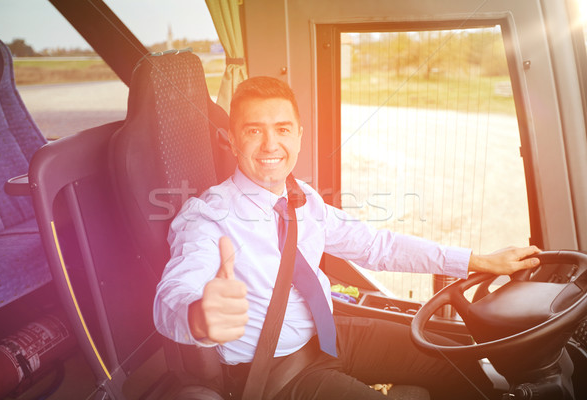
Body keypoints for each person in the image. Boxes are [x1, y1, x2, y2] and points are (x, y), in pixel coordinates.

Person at [153, 76, 541, 399]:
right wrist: (197, 316)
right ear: (231, 140)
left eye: (282, 129)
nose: (271, 145)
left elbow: (376, 246)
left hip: (330, 335)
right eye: (254, 131)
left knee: (456, 360)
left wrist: (477, 261)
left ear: (299, 136)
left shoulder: (301, 197)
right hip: (276, 373)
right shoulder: (207, 217)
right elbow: (172, 295)